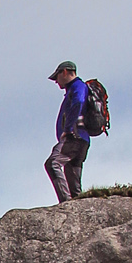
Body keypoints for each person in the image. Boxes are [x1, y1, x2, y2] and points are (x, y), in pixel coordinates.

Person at [46, 61, 90, 202]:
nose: (56, 81)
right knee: (74, 186)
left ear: (64, 72)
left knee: (52, 163)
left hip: (74, 137)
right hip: (82, 139)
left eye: (56, 77)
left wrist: (68, 129)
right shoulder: (74, 88)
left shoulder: (77, 86)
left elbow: (78, 101)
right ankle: (77, 208)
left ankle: (65, 203)